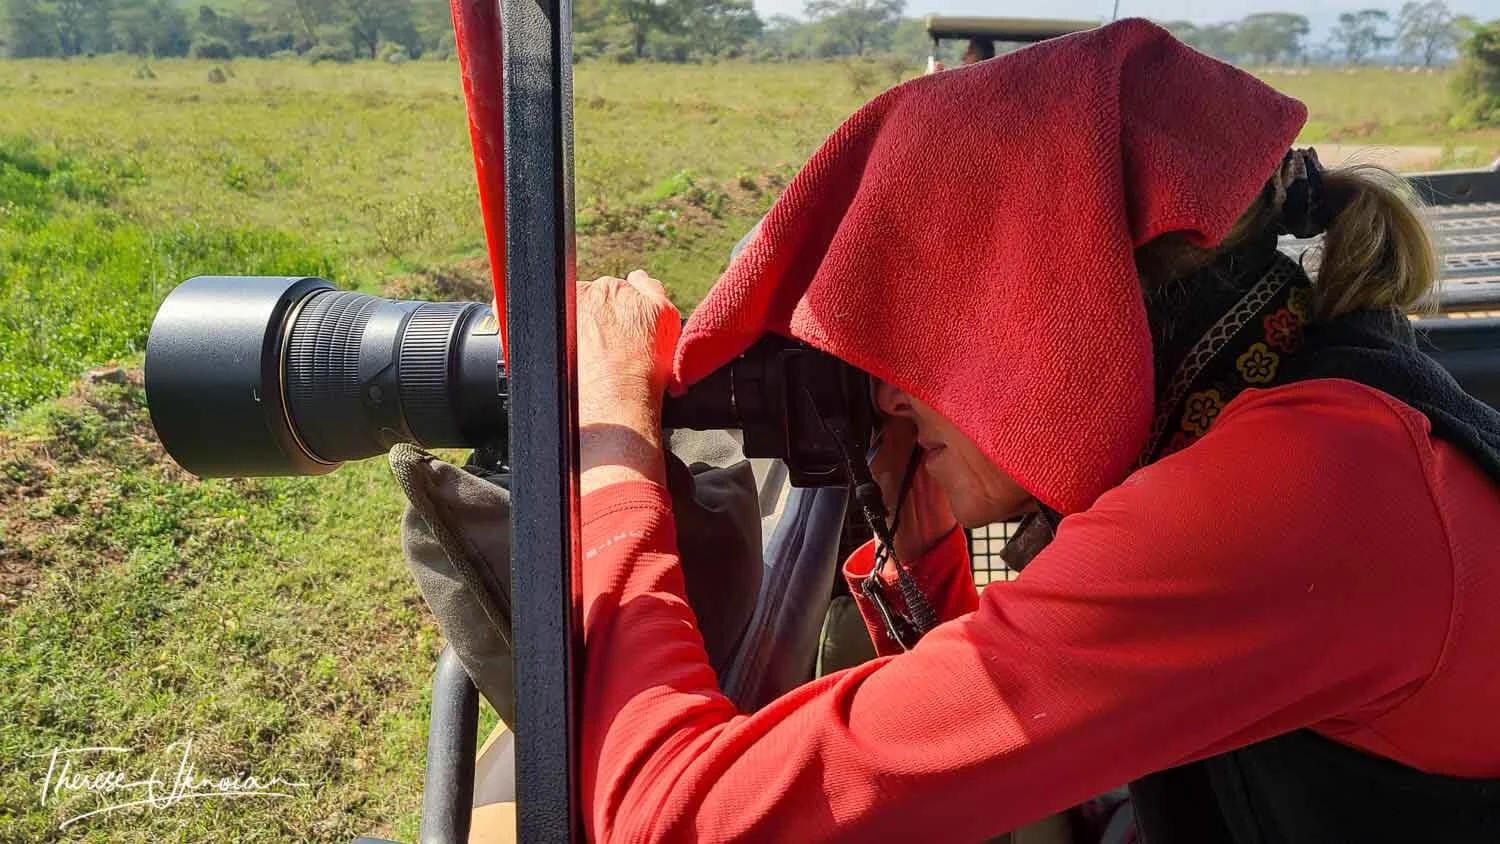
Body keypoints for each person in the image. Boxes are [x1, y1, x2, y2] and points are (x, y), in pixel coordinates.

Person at [570, 20, 1500, 843]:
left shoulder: (1297, 492)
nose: (892, 398)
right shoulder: (1293, 397)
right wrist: (922, 514)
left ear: (1064, 316)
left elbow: (678, 822)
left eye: (937, 333)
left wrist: (613, 447)